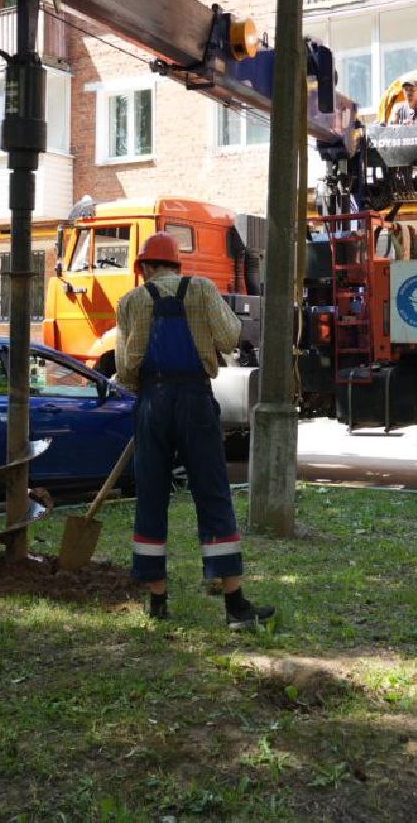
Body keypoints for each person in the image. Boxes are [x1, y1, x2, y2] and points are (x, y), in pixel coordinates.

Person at [115, 232, 275, 629]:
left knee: (150, 496)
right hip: (196, 400)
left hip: (153, 400)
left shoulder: (131, 302)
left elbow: (124, 367)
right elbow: (229, 337)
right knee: (213, 494)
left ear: (146, 267)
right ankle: (235, 606)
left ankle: (157, 602)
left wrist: (151, 396)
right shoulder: (202, 289)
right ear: (176, 265)